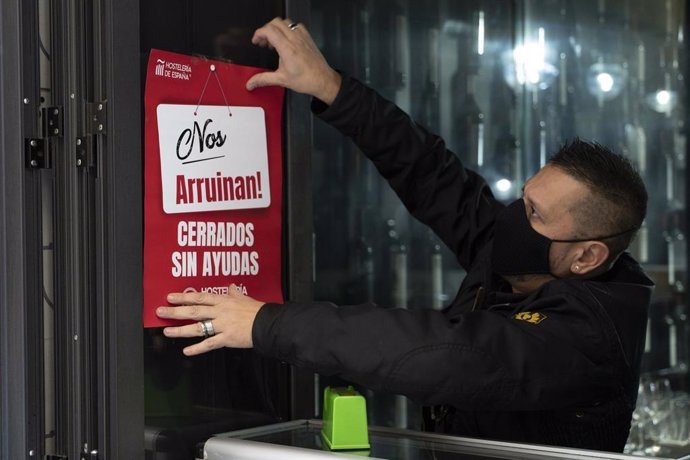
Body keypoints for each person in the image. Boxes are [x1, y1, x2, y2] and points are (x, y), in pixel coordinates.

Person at [156, 17, 653, 452]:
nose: (513, 217)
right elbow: (432, 175)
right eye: (524, 199)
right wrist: (331, 87)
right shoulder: (520, 254)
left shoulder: (586, 338)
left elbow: (441, 353)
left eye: (535, 213)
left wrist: (266, 323)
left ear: (587, 257)